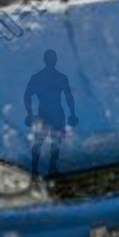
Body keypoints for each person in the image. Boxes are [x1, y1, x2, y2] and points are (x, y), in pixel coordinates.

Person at [24, 49, 79, 177]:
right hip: (47, 113)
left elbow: (68, 97)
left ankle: (51, 168)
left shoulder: (56, 77)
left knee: (55, 142)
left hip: (53, 113)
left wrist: (72, 113)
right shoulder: (50, 77)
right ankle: (37, 169)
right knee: (41, 142)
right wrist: (30, 113)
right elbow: (28, 96)